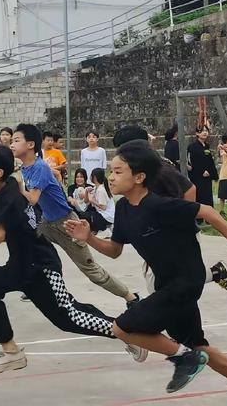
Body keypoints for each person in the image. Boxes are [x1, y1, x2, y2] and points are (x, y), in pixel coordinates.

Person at [65, 140, 227, 403]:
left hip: (186, 281)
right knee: (198, 345)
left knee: (121, 328)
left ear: (139, 177)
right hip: (168, 284)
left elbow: (208, 212)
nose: (111, 177)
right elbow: (115, 250)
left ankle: (184, 358)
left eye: (119, 172)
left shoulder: (159, 205)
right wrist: (89, 238)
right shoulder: (125, 210)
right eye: (111, 171)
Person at [0, 142, 145, 374]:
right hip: (21, 264)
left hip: (40, 265)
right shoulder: (3, 187)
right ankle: (11, 352)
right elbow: (14, 186)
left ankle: (127, 333)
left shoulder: (9, 199)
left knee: (69, 316)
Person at [11, 124, 144, 330]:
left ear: (30, 145)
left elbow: (33, 198)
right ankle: (35, 284)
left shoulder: (37, 167)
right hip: (47, 222)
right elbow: (49, 182)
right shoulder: (28, 167)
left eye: (16, 140)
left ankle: (132, 298)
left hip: (68, 224)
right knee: (28, 247)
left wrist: (17, 185)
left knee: (91, 271)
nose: (12, 143)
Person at [112, 124, 227, 300]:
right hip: (159, 238)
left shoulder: (160, 168)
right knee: (166, 283)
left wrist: (182, 222)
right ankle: (216, 273)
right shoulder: (145, 172)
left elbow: (190, 190)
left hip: (177, 236)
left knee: (163, 287)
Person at [187, 125, 218, 209]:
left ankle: (209, 216)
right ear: (197, 133)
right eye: (202, 131)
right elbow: (192, 161)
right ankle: (199, 218)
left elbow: (210, 161)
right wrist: (201, 171)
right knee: (199, 195)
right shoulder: (192, 146)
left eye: (206, 131)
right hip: (197, 176)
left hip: (207, 175)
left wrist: (213, 174)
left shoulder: (206, 146)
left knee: (208, 196)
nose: (205, 133)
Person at [83, 168, 115, 234]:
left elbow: (103, 207)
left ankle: (103, 228)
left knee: (87, 215)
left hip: (107, 216)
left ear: (94, 177)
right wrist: (86, 191)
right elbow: (86, 201)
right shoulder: (95, 188)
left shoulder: (101, 190)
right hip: (103, 214)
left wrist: (92, 200)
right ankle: (99, 228)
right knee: (85, 213)